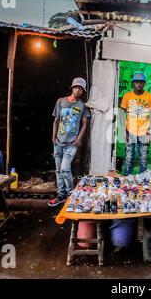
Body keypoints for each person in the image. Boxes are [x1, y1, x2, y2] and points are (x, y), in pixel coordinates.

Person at [48, 77, 91, 207]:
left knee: (65, 169)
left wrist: (79, 139)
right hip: (58, 141)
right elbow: (56, 120)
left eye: (81, 89)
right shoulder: (61, 102)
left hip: (71, 143)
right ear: (72, 88)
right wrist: (53, 136)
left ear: (83, 91)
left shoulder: (82, 105)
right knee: (58, 170)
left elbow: (85, 124)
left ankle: (71, 194)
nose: (78, 90)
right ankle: (61, 194)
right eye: (76, 87)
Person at [119, 72, 151, 175]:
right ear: (133, 83)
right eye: (136, 82)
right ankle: (128, 178)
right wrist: (123, 130)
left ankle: (142, 178)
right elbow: (122, 113)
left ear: (144, 83)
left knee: (144, 156)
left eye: (141, 82)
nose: (139, 85)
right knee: (129, 156)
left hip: (144, 131)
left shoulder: (149, 96)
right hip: (130, 130)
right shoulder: (127, 96)